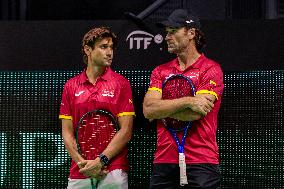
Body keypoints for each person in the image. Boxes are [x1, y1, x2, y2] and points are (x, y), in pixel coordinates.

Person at [143, 9, 224, 189]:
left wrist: (162, 109)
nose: (167, 37)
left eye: (173, 32)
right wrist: (189, 101)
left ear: (191, 33)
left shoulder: (211, 69)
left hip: (202, 161)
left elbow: (195, 114)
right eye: (167, 33)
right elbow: (148, 109)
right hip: (164, 160)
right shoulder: (160, 71)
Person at [59, 26, 135, 189]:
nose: (110, 52)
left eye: (111, 47)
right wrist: (83, 165)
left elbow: (126, 131)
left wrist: (100, 162)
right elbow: (67, 132)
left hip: (112, 169)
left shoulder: (121, 84)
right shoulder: (70, 86)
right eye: (103, 47)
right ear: (88, 50)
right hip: (81, 170)